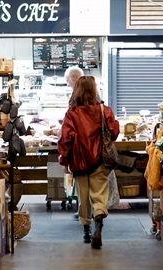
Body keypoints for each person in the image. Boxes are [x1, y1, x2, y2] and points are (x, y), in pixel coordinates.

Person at [57, 76, 120, 249]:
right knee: (99, 194)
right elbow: (114, 133)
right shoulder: (104, 110)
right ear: (94, 89)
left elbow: (65, 140)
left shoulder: (71, 113)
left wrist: (64, 161)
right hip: (100, 159)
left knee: (83, 197)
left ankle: (86, 230)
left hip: (79, 161)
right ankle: (98, 222)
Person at [64, 65, 84, 220]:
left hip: (80, 154)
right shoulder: (101, 105)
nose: (67, 84)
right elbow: (113, 130)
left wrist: (64, 160)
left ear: (75, 78)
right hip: (98, 156)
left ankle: (86, 221)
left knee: (83, 187)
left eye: (67, 80)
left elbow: (67, 135)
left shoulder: (74, 106)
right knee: (96, 190)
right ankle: (97, 215)